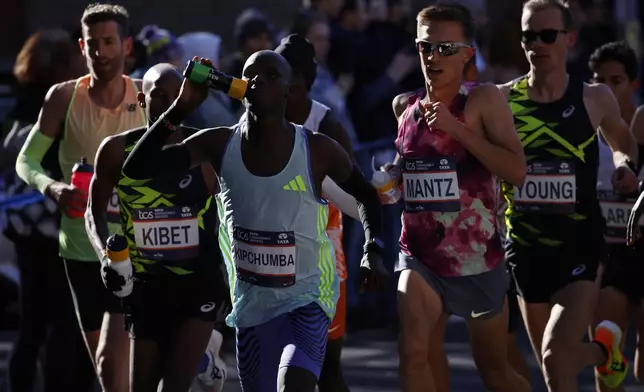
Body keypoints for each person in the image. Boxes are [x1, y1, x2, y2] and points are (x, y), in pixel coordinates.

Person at [121, 51, 388, 391]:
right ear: (240, 86)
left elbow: (366, 195)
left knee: (294, 383)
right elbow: (137, 168)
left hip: (308, 297)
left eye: (272, 74)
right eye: (251, 74)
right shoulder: (218, 144)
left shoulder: (318, 149)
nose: (259, 79)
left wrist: (373, 248)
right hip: (251, 306)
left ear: (290, 90)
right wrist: (181, 108)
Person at [383, 4, 529, 392]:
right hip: (420, 255)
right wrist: (391, 181)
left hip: (478, 259)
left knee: (495, 372)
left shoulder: (483, 101)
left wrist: (456, 128)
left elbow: (516, 170)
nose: (433, 57)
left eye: (446, 48)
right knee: (414, 352)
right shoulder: (404, 106)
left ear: (467, 53)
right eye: (425, 47)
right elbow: (410, 170)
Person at [496, 1, 639, 391]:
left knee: (555, 355)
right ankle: (605, 350)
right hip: (524, 249)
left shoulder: (594, 98)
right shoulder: (502, 100)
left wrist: (625, 167)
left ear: (569, 39)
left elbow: (622, 143)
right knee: (555, 375)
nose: (536, 44)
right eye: (529, 36)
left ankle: (601, 351)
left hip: (579, 247)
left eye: (547, 36)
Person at [15, 4, 146, 391]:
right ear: (81, 47)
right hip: (78, 250)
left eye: (109, 42)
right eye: (93, 44)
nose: (101, 52)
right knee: (105, 369)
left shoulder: (146, 96)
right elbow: (27, 160)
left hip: (132, 251)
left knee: (110, 357)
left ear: (126, 46)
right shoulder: (63, 98)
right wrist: (53, 188)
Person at [85, 63, 229, 391]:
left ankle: (201, 351)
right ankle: (203, 359)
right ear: (142, 99)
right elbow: (92, 213)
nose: (170, 103)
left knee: (174, 386)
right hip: (146, 286)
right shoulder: (115, 150)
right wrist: (106, 254)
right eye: (160, 96)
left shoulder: (205, 149)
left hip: (198, 284)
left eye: (178, 96)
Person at [1, 28, 95, 392]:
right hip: (57, 226)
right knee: (65, 323)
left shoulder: (19, 104)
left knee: (33, 322)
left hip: (24, 228)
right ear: (61, 64)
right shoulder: (60, 103)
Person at [275, 33, 353, 392]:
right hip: (272, 259)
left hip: (322, 261)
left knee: (327, 368)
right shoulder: (258, 120)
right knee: (278, 365)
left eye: (279, 75)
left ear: (300, 81)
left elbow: (357, 197)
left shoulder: (327, 126)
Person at [593, 42, 644, 392]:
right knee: (607, 361)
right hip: (606, 257)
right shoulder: (578, 136)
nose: (608, 90)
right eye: (599, 81)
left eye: (617, 81)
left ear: (633, 85)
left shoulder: (643, 122)